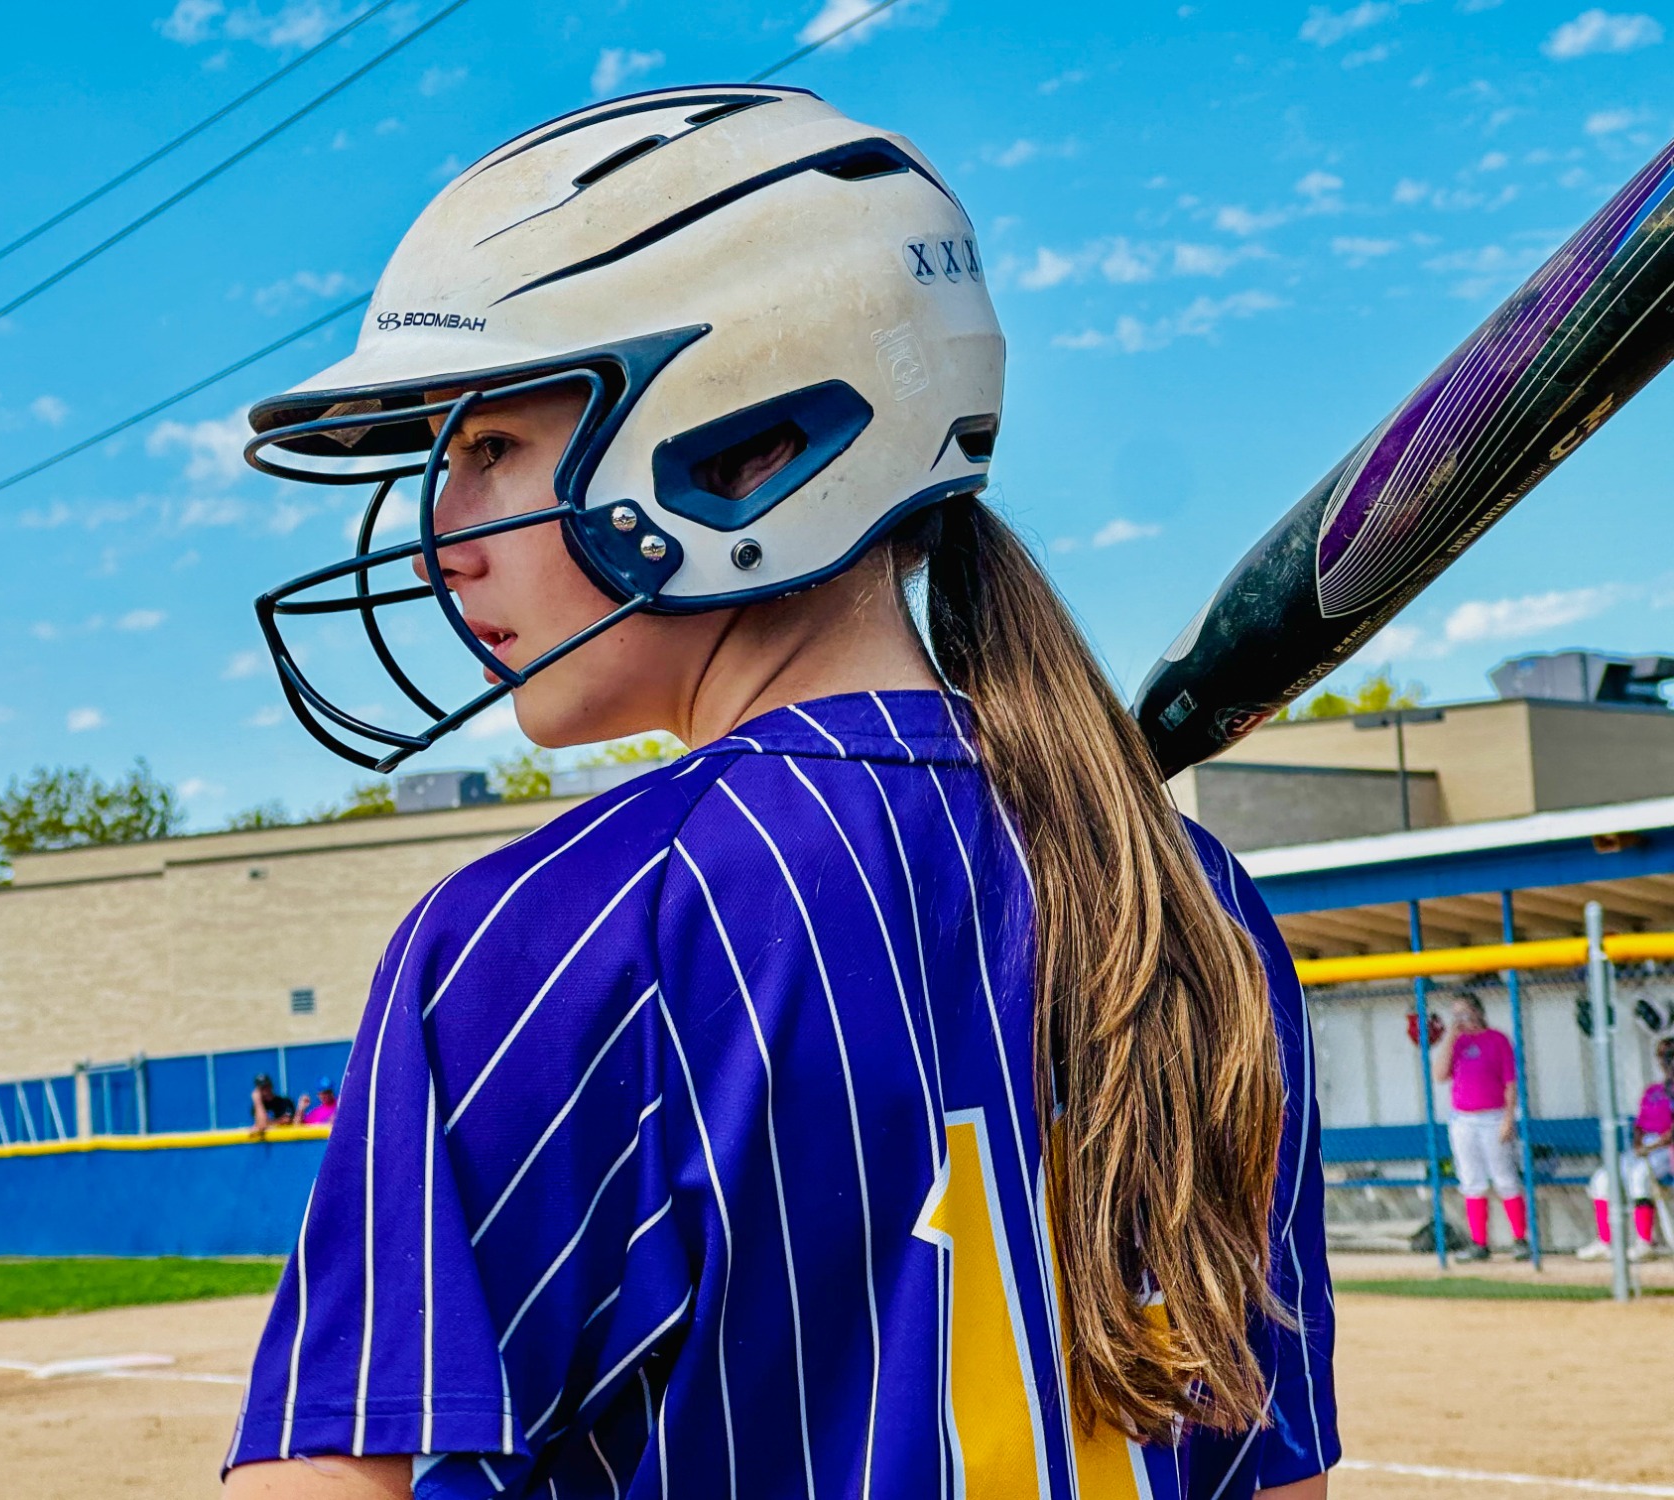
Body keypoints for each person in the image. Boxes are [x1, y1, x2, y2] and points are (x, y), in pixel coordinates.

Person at [222, 86, 1335, 1499]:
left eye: (490, 445)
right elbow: (1271, 1478)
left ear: (749, 446)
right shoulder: (1188, 903)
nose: (447, 538)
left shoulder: (554, 932)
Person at [1432, 990, 1531, 1262]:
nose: (1460, 1018)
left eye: (1464, 1012)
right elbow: (1440, 1075)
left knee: (1505, 1177)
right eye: (1455, 1014)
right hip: (1463, 1119)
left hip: (1493, 1117)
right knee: (1471, 1180)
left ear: (1478, 1011)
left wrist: (1509, 1118)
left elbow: (1511, 1083)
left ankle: (1520, 1240)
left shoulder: (1497, 1040)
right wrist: (1452, 1036)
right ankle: (1479, 1243)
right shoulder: (1458, 1043)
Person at [1578, 1035, 1674, 1261]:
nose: (1665, 1062)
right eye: (1662, 1057)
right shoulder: (1652, 1091)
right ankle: (1605, 1241)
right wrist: (1638, 1145)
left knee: (1640, 1177)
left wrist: (1654, 1146)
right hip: (1644, 1147)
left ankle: (1644, 1242)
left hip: (1666, 1149)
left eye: (1669, 1057)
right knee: (1602, 1178)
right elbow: (1639, 1126)